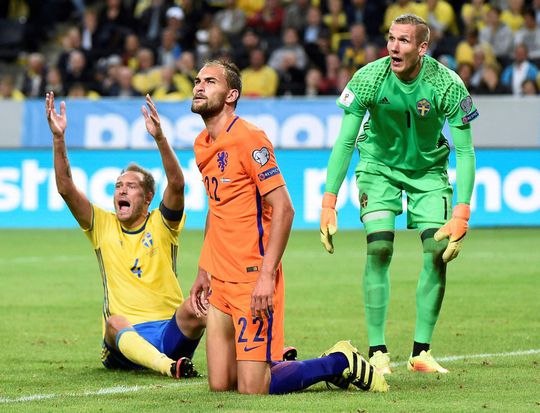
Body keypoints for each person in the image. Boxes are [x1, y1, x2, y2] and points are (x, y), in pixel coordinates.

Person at [188, 59, 388, 395]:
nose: (198, 86)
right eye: (197, 80)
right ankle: (279, 360)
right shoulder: (202, 144)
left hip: (252, 276)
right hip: (220, 279)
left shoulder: (249, 138)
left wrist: (267, 276)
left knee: (254, 389)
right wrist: (203, 271)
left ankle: (338, 362)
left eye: (209, 81)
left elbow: (284, 208)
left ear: (231, 94)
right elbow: (216, 208)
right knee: (221, 386)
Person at [320, 14, 478, 376]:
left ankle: (421, 351)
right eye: (391, 38)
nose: (393, 46)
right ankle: (378, 352)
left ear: (422, 47)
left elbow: (466, 151)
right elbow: (346, 140)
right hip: (378, 167)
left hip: (428, 172)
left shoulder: (448, 85)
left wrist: (462, 212)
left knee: (437, 251)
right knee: (379, 247)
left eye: (404, 41)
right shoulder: (369, 78)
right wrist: (329, 200)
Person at [45, 92, 206, 379]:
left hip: (169, 330)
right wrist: (59, 139)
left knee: (202, 307)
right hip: (124, 341)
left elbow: (178, 183)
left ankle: (261, 355)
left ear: (148, 198)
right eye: (118, 185)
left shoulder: (163, 224)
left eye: (130, 186)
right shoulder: (101, 225)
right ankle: (168, 367)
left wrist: (160, 138)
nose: (121, 190)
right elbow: (66, 188)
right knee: (114, 321)